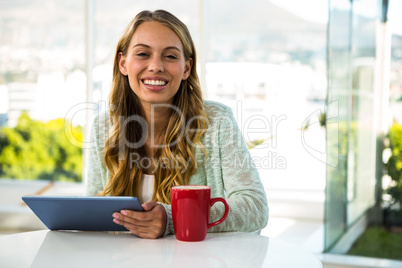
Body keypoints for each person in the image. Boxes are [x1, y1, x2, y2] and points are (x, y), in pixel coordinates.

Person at [86, 9, 268, 239]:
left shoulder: (216, 121)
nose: (156, 66)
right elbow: (93, 214)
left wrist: (173, 218)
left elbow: (255, 207)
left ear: (186, 68)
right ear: (123, 63)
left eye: (170, 56)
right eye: (143, 54)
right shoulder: (103, 126)